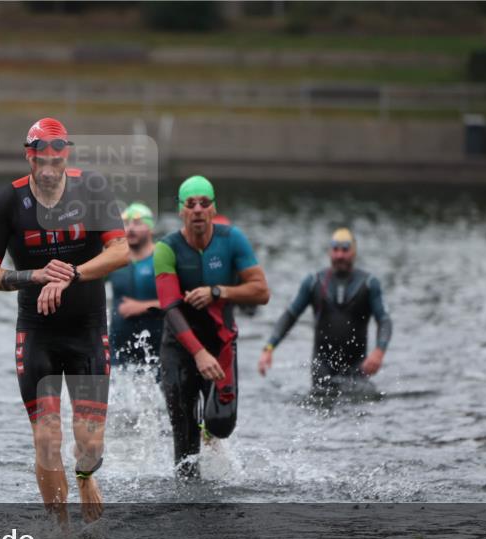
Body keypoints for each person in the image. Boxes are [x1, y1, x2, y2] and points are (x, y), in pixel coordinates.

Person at [0, 118, 129, 522]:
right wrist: (36, 275)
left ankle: (84, 476)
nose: (47, 165)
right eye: (38, 156)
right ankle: (61, 537)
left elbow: (120, 252)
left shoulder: (92, 188)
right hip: (37, 331)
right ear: (28, 156)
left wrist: (72, 274)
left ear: (66, 156)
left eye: (55, 156)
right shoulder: (6, 202)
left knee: (89, 442)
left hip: (88, 330)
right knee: (46, 437)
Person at [154, 176, 269, 481]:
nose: (198, 209)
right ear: (181, 210)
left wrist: (219, 292)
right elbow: (170, 308)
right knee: (184, 438)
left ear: (213, 207)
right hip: (179, 347)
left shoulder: (232, 240)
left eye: (204, 203)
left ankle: (209, 427)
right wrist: (198, 353)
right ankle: (188, 509)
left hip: (220, 345)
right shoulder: (167, 249)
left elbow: (261, 291)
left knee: (221, 425)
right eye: (190, 204)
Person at [258, 228, 392, 394]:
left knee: (361, 402)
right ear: (330, 252)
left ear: (354, 252)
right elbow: (290, 315)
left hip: (357, 364)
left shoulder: (369, 284)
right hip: (322, 365)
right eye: (335, 250)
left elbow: (384, 320)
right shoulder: (314, 282)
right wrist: (269, 348)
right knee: (322, 402)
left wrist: (379, 352)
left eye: (345, 250)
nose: (340, 255)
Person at [107, 202, 163, 367]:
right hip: (118, 351)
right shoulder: (113, 259)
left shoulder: (163, 258)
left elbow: (181, 302)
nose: (130, 228)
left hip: (157, 350)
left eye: (137, 223)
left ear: (151, 228)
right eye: (126, 223)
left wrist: (142, 307)